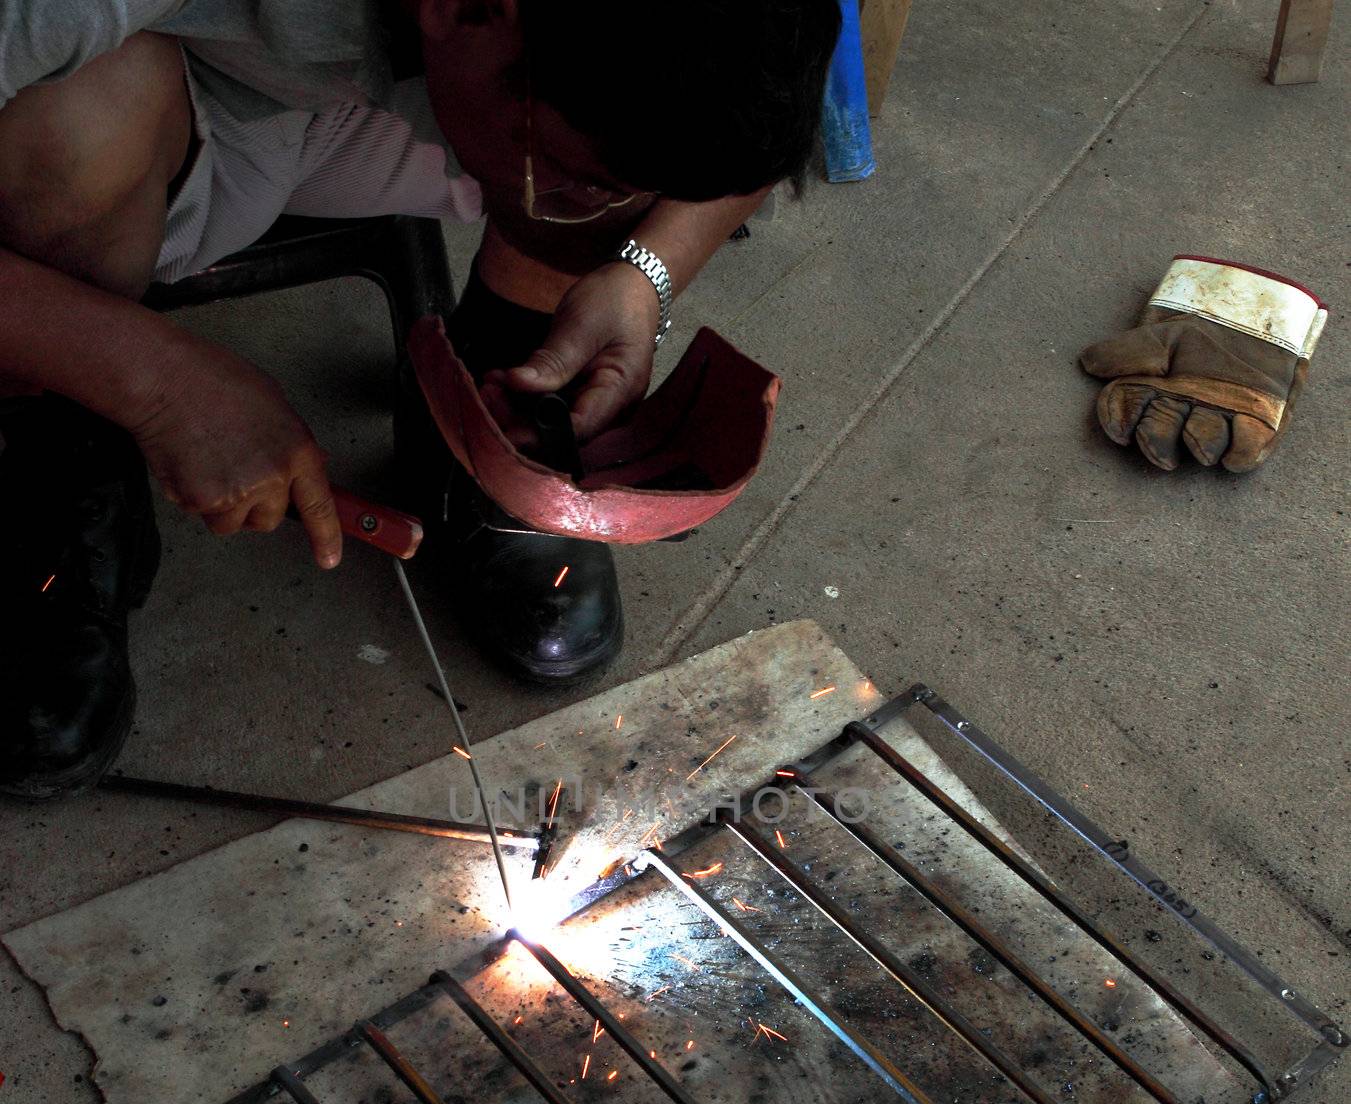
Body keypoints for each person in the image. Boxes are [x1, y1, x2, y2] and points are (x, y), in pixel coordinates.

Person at [0, 0, 840, 799]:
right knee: (61, 139)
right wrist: (149, 383)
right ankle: (58, 453)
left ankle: (498, 415)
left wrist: (642, 271)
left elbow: (754, 111)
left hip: (410, 100)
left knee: (654, 136)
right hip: (178, 106)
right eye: (588, 184)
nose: (613, 209)